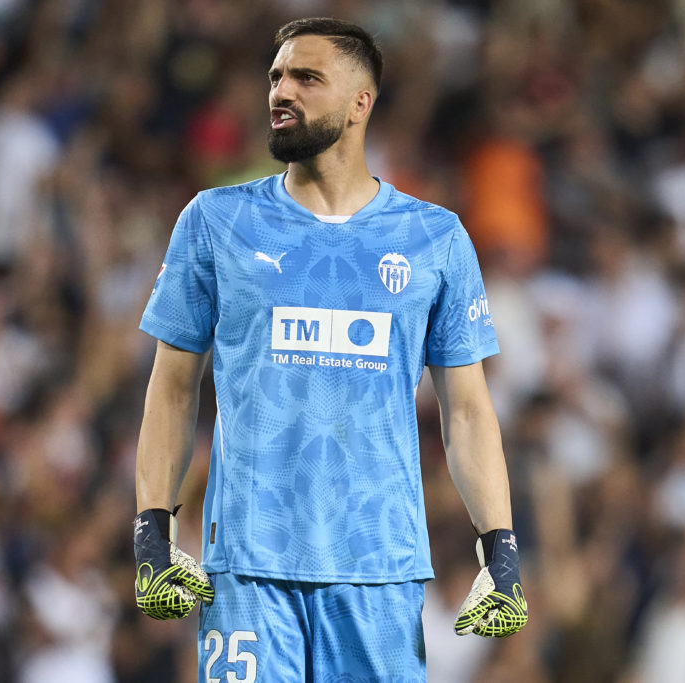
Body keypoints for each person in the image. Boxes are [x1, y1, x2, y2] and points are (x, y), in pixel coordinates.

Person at [133, 17, 527, 681]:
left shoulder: (435, 239)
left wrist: (502, 551)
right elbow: (173, 387)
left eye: (306, 78)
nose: (281, 91)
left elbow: (465, 410)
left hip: (380, 571)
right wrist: (152, 528)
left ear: (359, 103)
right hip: (249, 571)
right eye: (276, 77)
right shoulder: (213, 222)